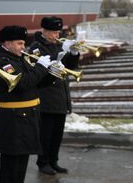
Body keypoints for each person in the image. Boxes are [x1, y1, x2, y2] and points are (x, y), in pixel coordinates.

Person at [0, 25, 57, 183]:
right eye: (19, 43)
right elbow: (23, 83)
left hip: (25, 117)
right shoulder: (1, 61)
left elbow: (35, 83)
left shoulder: (17, 58)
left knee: (21, 166)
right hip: (13, 119)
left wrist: (51, 73)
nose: (23, 47)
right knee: (11, 167)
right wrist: (40, 67)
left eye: (23, 43)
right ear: (7, 43)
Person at [28, 16, 80, 175]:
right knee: (46, 134)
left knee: (57, 134)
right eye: (53, 32)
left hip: (61, 96)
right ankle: (43, 162)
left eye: (58, 32)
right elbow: (43, 67)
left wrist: (73, 52)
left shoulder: (57, 45)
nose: (57, 35)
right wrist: (60, 54)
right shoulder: (36, 47)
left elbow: (71, 67)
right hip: (46, 97)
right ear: (44, 31)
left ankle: (53, 161)